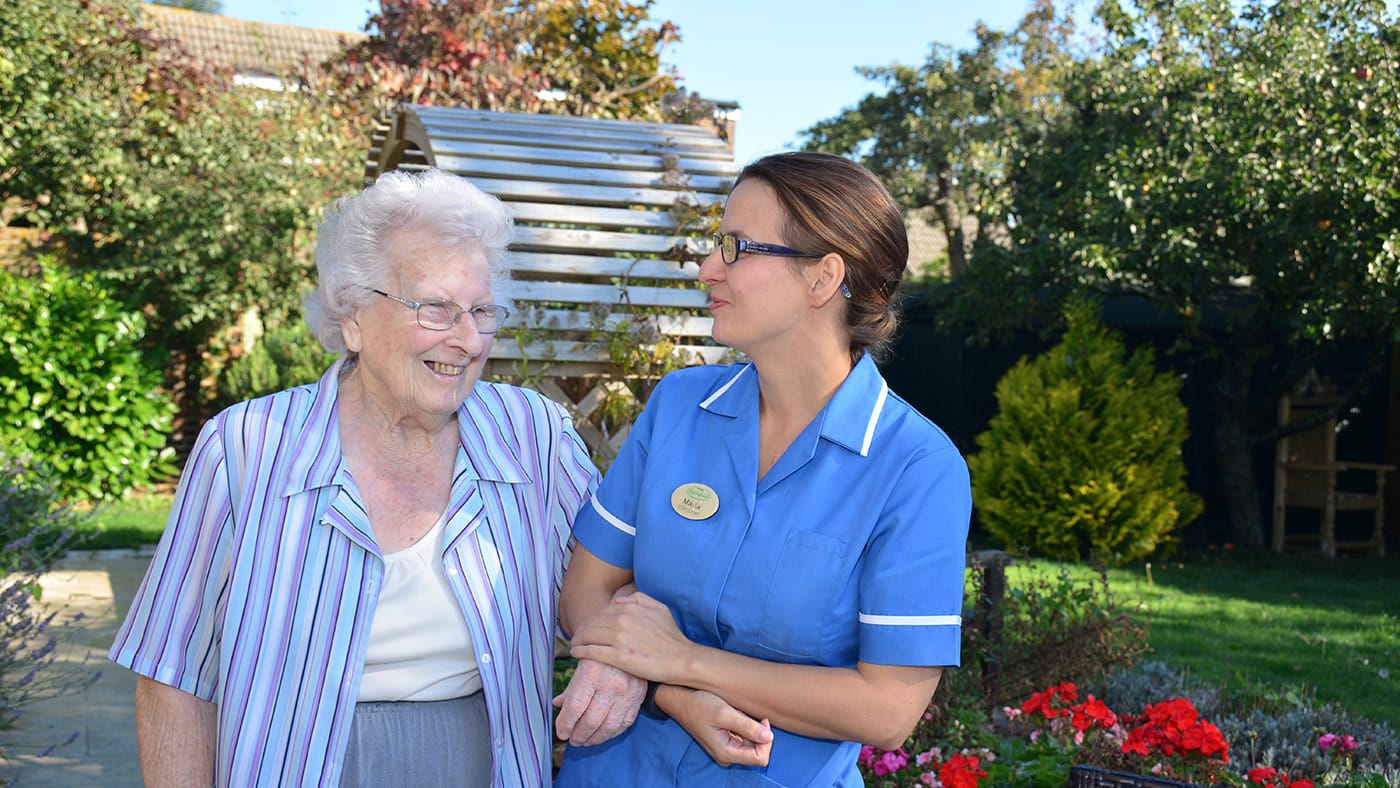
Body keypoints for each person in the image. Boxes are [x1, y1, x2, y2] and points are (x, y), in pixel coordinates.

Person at [109, 168, 599, 787]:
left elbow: (612, 587)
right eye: (436, 309)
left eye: (481, 310)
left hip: (480, 764)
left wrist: (620, 661)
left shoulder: (536, 439)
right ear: (354, 317)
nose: (469, 339)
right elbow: (173, 671)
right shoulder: (246, 449)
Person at [551, 151, 973, 786]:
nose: (707, 268)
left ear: (822, 278)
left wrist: (686, 662)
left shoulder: (917, 468)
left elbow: (888, 707)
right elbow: (584, 591)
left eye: (737, 247)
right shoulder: (678, 407)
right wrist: (673, 694)